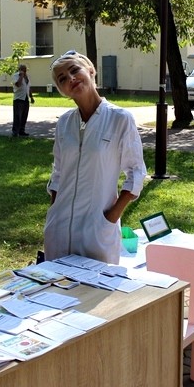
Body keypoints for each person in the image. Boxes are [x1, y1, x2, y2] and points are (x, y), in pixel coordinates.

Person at [44, 50, 147, 264]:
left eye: (74, 70)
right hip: (60, 228)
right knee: (59, 291)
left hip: (97, 229)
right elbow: (58, 172)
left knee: (96, 293)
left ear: (91, 71)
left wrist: (110, 217)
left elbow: (136, 172)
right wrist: (54, 210)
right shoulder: (64, 123)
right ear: (62, 90)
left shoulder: (120, 119)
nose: (71, 79)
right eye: (62, 78)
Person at [12, 64, 35, 137]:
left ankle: (22, 130)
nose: (24, 71)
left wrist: (31, 97)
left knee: (24, 115)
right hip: (18, 99)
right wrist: (21, 76)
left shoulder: (27, 77)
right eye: (23, 70)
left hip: (26, 98)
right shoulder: (15, 76)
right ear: (19, 69)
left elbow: (29, 87)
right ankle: (15, 132)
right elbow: (18, 85)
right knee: (17, 116)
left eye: (25, 70)